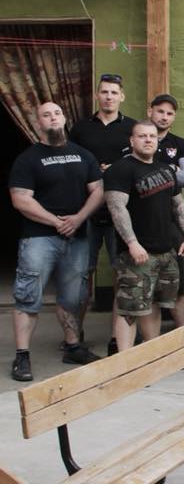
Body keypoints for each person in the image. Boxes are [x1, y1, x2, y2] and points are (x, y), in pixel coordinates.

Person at [9, 102, 104, 381]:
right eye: (46, 115)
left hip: (77, 237)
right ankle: (22, 356)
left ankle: (72, 347)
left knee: (73, 296)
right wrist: (56, 221)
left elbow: (98, 190)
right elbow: (20, 199)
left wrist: (79, 218)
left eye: (57, 113)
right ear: (38, 122)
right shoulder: (27, 159)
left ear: (64, 119)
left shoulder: (83, 155)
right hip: (39, 238)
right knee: (28, 296)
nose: (53, 118)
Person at [103, 120, 184, 351]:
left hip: (166, 251)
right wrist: (132, 243)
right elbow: (117, 208)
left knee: (154, 304)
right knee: (129, 309)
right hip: (136, 253)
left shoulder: (166, 169)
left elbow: (178, 205)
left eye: (152, 136)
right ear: (132, 140)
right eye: (142, 136)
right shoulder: (120, 169)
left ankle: (151, 356)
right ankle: (125, 361)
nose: (148, 140)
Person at [69, 73, 135, 348]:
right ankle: (74, 337)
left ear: (122, 96)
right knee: (81, 275)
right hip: (87, 213)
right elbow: (70, 163)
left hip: (120, 213)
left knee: (122, 275)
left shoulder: (132, 127)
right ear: (97, 95)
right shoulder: (81, 129)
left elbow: (141, 160)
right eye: (104, 92)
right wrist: (94, 171)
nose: (109, 97)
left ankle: (115, 338)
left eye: (113, 92)